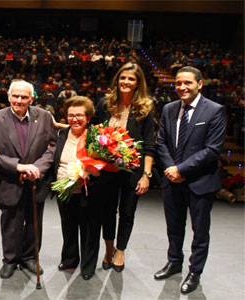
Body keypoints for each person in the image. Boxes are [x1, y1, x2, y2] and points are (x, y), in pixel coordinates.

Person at [154, 66, 226, 294]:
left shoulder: (215, 110)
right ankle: (174, 262)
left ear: (200, 84)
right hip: (171, 180)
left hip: (200, 181)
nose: (182, 87)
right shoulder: (169, 108)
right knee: (174, 227)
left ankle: (195, 271)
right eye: (178, 83)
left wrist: (181, 169)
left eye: (187, 83)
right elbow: (161, 143)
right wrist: (170, 169)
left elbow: (212, 150)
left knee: (200, 231)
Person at [0, 80, 56, 279]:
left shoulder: (45, 117)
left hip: (36, 182)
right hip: (8, 181)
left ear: (32, 98)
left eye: (24, 97)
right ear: (9, 96)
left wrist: (37, 168)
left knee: (34, 222)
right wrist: (18, 167)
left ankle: (30, 257)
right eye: (16, 96)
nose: (19, 100)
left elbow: (53, 147)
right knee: (10, 224)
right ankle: (10, 260)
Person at [91, 62, 155, 272]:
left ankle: (120, 250)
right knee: (106, 211)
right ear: (117, 80)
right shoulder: (104, 104)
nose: (126, 82)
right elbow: (93, 134)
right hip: (107, 170)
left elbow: (148, 145)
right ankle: (108, 249)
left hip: (132, 170)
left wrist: (146, 175)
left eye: (131, 79)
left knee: (127, 213)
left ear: (138, 83)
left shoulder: (145, 108)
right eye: (123, 78)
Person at [54, 96, 101, 280]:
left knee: (89, 230)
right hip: (64, 191)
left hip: (89, 191)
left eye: (80, 115)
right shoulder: (62, 135)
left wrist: (91, 172)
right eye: (71, 115)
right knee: (68, 227)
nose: (75, 119)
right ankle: (69, 259)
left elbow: (102, 164)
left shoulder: (97, 137)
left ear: (88, 117)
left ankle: (88, 266)